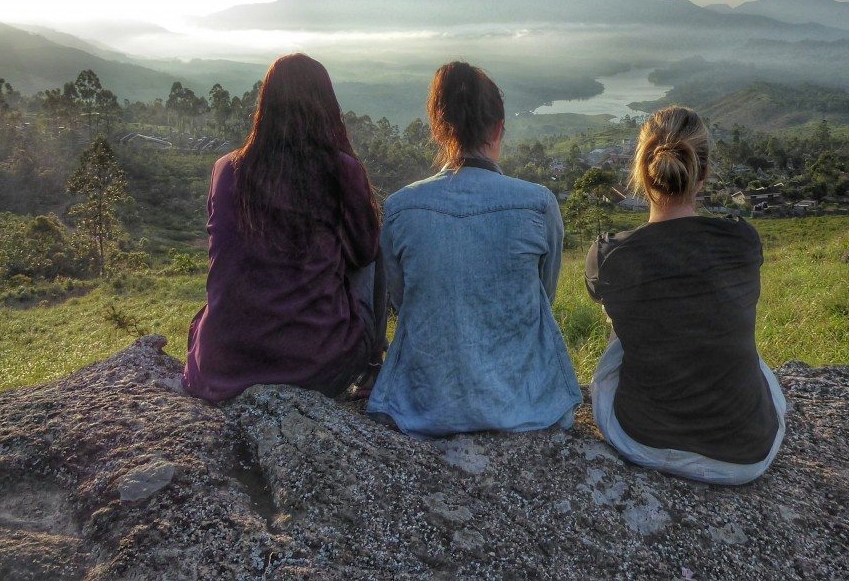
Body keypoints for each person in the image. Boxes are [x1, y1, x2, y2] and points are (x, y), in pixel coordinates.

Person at [367, 61, 581, 437]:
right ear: (498, 128)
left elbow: (405, 301)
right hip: (526, 404)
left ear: (437, 129)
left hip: (423, 404)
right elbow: (542, 297)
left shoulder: (401, 208)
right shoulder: (538, 203)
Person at [586, 106, 786, 484]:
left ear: (642, 172)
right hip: (747, 457)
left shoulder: (609, 254)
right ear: (704, 172)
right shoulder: (742, 241)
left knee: (618, 320)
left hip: (641, 441)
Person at [183, 53, 385, 402]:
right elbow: (365, 251)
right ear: (326, 106)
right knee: (375, 252)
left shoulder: (226, 169)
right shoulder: (340, 169)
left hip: (220, 365)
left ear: (266, 105)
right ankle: (370, 366)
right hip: (315, 367)